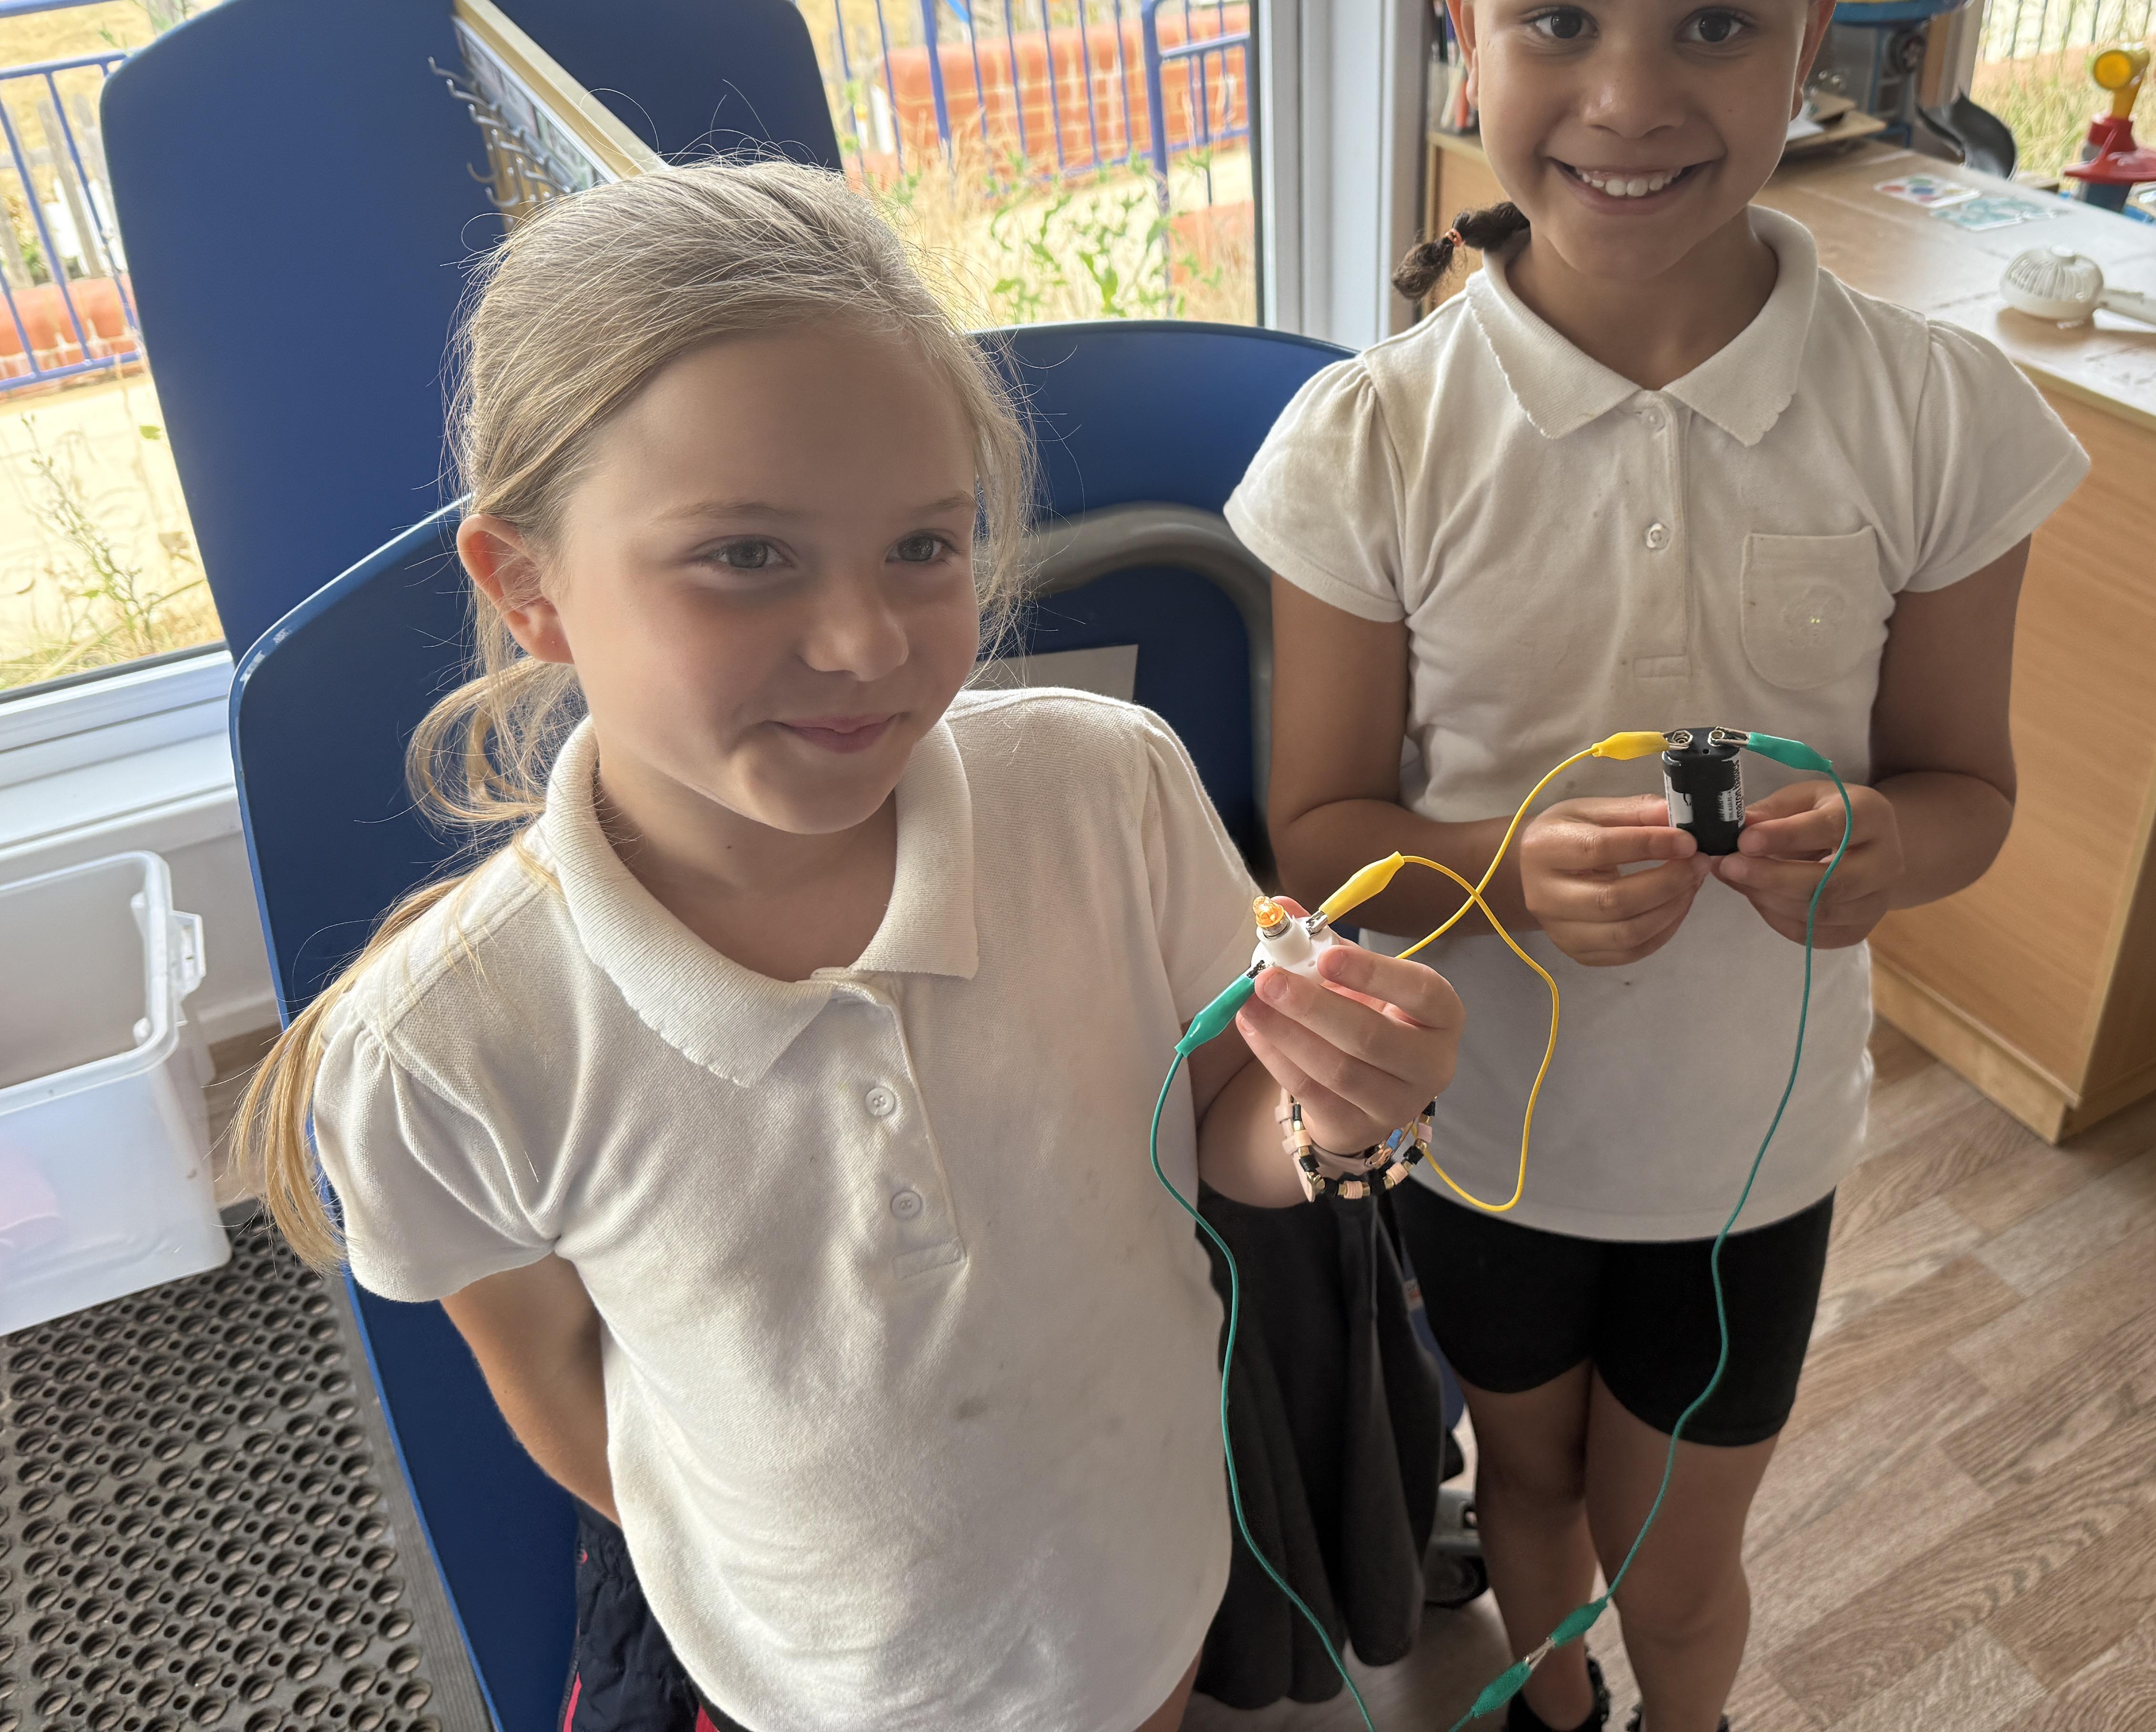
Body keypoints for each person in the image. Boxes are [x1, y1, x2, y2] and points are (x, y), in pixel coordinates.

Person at [231, 161, 1463, 1732]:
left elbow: (1226, 1119)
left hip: (1139, 1578)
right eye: (747, 554)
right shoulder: (443, 1049)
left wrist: (1330, 1113)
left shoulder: (1111, 787)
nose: (870, 642)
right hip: (816, 1682)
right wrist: (814, 1582)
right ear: (530, 586)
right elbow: (555, 1390)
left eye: (925, 546)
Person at [1223, 0, 2091, 1727]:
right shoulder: (1368, 445)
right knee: (1527, 1493)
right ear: (1466, 27)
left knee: (1681, 1566)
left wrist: (1888, 847)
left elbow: (1966, 788)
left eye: (1715, 23)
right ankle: (1564, 1711)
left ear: (1819, 31)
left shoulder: (1940, 419)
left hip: (1746, 1161)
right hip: (1486, 1149)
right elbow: (1322, 840)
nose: (1628, 98)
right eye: (1558, 20)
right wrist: (1502, 878)